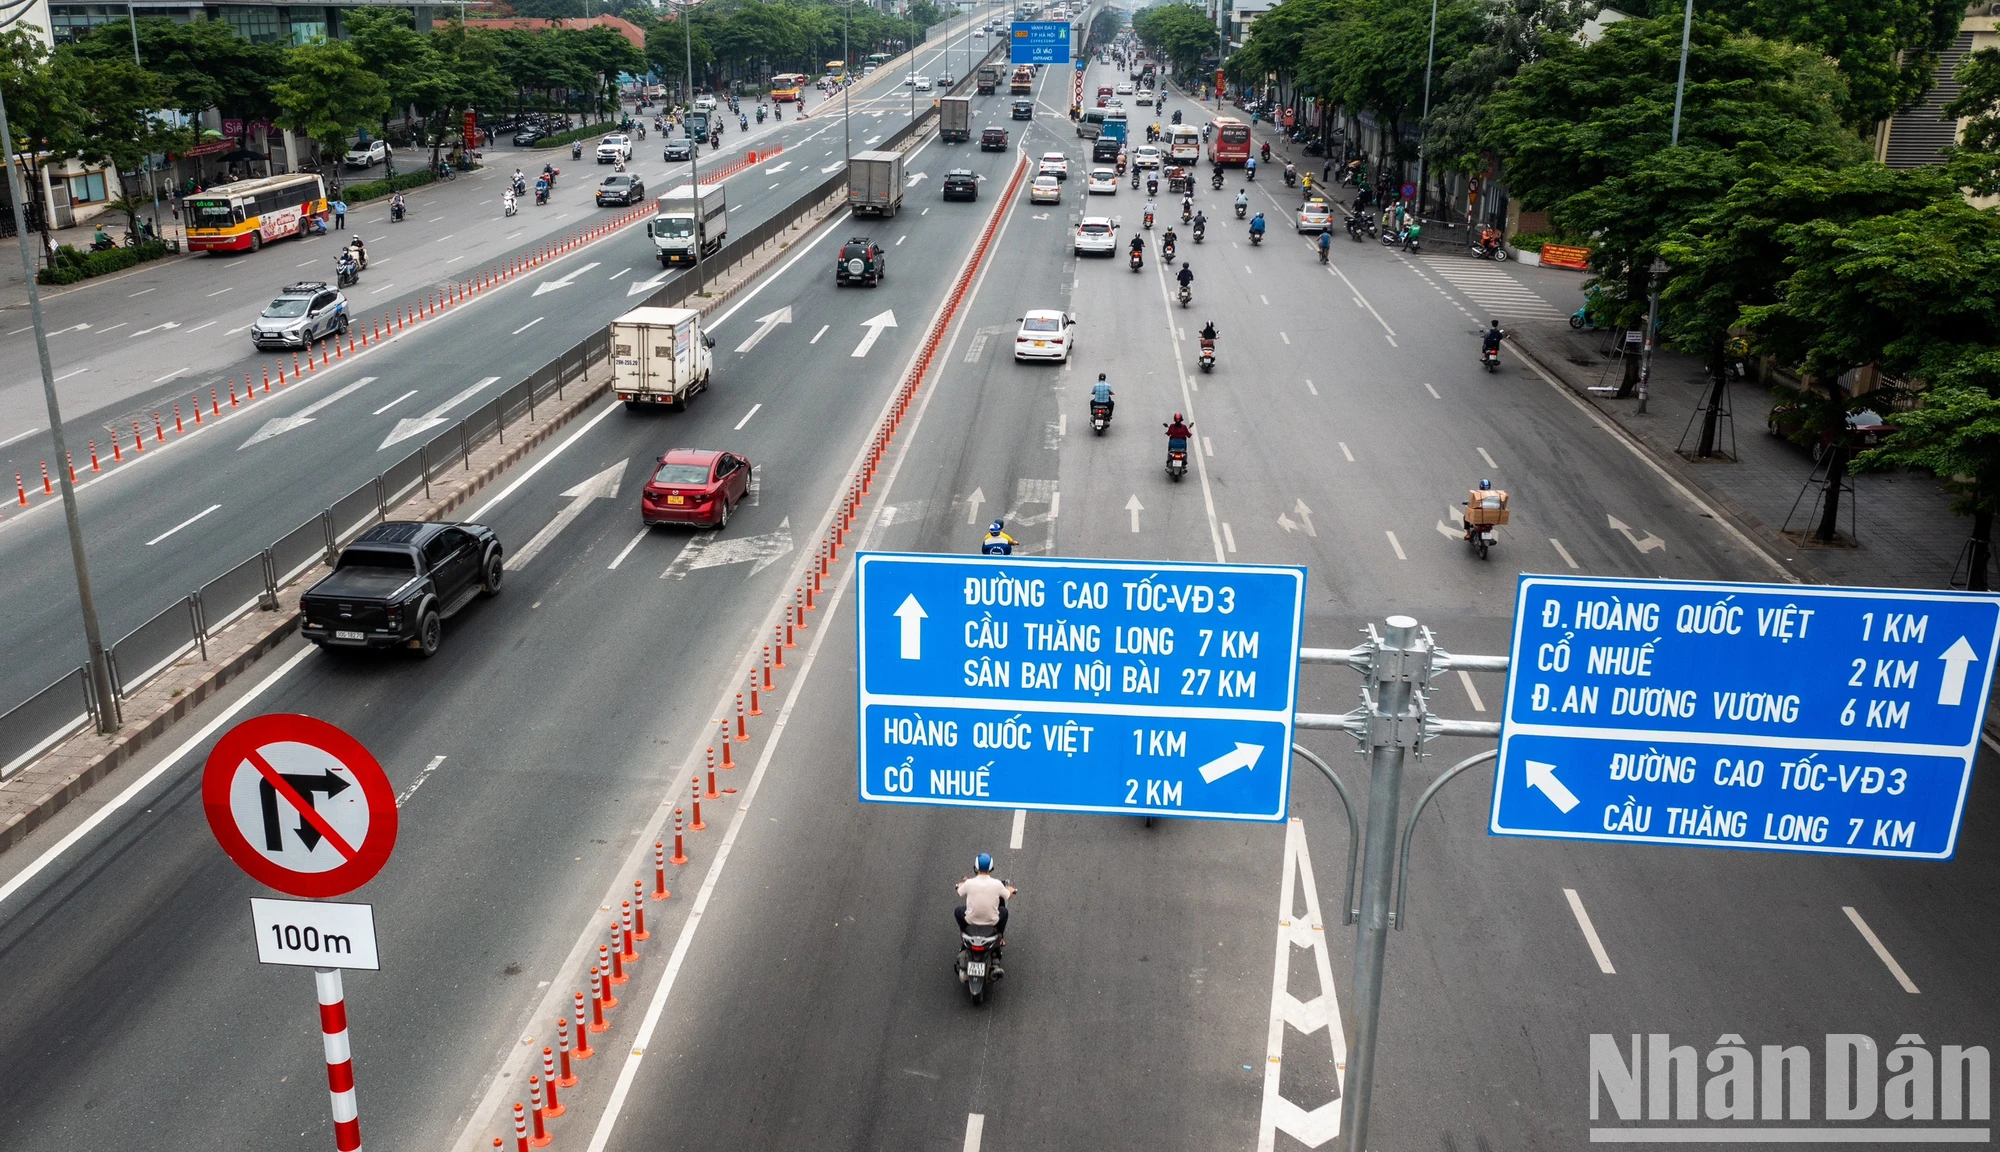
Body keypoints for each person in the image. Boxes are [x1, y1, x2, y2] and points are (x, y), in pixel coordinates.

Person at [955, 853, 1013, 941]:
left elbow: (959, 893)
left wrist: (960, 885)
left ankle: (963, 932)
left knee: (958, 911)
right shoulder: (997, 884)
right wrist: (1011, 890)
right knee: (1004, 912)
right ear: (991, 868)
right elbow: (1008, 896)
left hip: (970, 920)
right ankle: (1000, 937)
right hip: (992, 921)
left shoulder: (969, 883)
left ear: (975, 867)